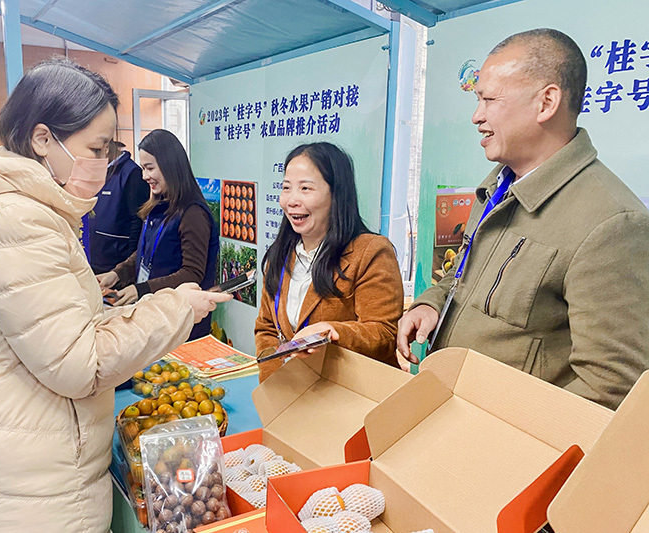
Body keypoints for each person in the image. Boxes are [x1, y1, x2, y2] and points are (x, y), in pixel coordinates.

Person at [0, 59, 230, 532]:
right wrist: (174, 307)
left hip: (25, 472)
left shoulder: (22, 211)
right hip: (24, 496)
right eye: (97, 147)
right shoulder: (14, 220)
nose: (107, 164)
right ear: (44, 139)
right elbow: (78, 361)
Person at [397, 29, 649, 410]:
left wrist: (507, 441)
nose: (476, 116)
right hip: (449, 415)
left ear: (546, 103)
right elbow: (463, 275)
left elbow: (612, 390)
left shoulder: (612, 223)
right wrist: (430, 303)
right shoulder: (498, 189)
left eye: (489, 100)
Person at [255, 142, 404, 382]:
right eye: (286, 188)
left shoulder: (370, 252)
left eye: (305, 188)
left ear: (336, 194)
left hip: (351, 397)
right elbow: (266, 328)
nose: (291, 200)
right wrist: (277, 385)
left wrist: (334, 332)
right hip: (296, 394)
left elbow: (384, 334)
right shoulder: (280, 255)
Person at [97, 129, 220, 340]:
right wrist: (117, 274)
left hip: (184, 324)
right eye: (143, 168)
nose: (144, 176)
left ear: (170, 165)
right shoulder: (158, 204)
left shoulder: (193, 213)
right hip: (157, 316)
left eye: (149, 168)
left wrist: (142, 289)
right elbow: (145, 253)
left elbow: (192, 273)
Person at [89, 140, 149, 274]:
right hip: (96, 258)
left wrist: (127, 267)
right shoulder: (102, 171)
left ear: (106, 148)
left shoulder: (132, 173)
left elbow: (137, 220)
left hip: (116, 263)